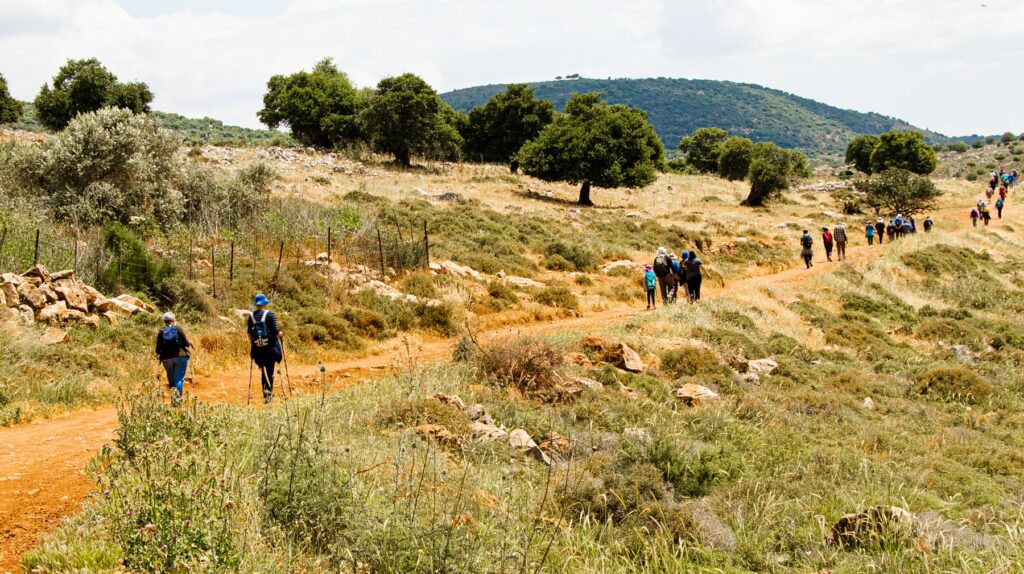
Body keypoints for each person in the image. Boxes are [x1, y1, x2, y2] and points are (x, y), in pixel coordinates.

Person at [248, 293, 283, 404]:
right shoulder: (270, 314)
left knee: (264, 371)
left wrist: (255, 344)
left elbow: (249, 333)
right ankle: (268, 396)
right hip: (270, 349)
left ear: (256, 304)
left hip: (258, 349)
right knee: (269, 371)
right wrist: (281, 334)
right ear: (264, 304)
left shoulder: (251, 316)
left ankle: (266, 392)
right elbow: (276, 332)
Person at [155, 312, 191, 405]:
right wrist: (189, 342)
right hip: (181, 357)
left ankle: (173, 401)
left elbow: (157, 350)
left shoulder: (161, 331)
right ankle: (177, 403)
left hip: (167, 360)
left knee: (171, 380)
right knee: (178, 379)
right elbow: (187, 343)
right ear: (173, 320)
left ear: (164, 321)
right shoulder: (178, 329)